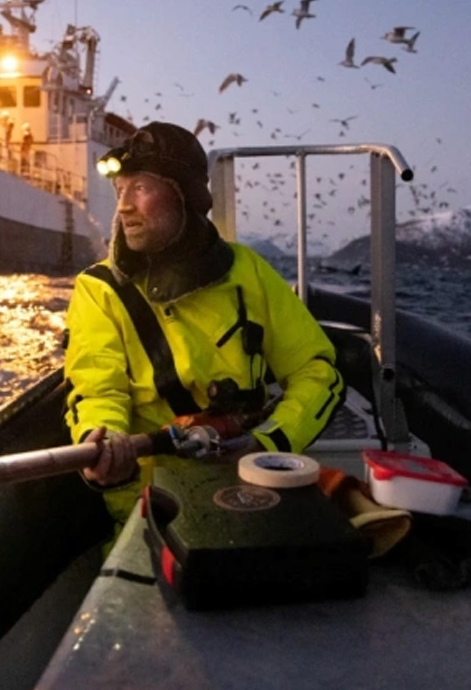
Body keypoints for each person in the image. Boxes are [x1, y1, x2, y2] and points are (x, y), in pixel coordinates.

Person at [63, 121, 345, 529]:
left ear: (185, 198)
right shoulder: (99, 289)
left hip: (256, 485)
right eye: (120, 189)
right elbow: (95, 390)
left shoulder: (248, 271)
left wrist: (268, 444)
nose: (123, 205)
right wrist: (101, 441)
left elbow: (318, 371)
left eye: (140, 188)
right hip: (152, 509)